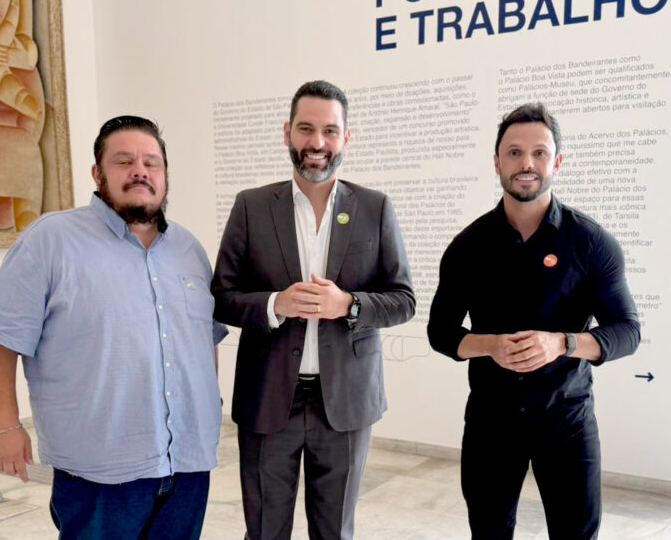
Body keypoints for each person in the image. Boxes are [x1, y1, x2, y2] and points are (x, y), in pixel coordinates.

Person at [0, 115, 227, 539]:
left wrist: (211, 405)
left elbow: (206, 338)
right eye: (124, 161)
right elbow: (2, 337)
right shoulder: (50, 240)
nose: (140, 171)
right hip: (99, 473)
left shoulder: (188, 248)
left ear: (165, 175)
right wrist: (5, 425)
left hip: (187, 464)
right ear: (98, 173)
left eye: (151, 163)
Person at [212, 80, 415, 540]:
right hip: (268, 398)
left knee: (335, 532)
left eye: (329, 131)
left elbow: (403, 299)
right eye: (306, 128)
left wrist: (349, 304)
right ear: (287, 132)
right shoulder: (251, 206)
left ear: (346, 138)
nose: (317, 142)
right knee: (264, 531)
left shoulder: (375, 208)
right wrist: (275, 303)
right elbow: (222, 295)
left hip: (345, 401)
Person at [427, 103, 640, 539]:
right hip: (490, 422)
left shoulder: (591, 242)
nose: (527, 163)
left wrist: (562, 343)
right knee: (489, 532)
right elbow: (440, 331)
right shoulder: (468, 246)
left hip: (567, 420)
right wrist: (489, 345)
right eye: (514, 153)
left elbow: (627, 330)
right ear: (497, 162)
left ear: (557, 162)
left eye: (539, 153)